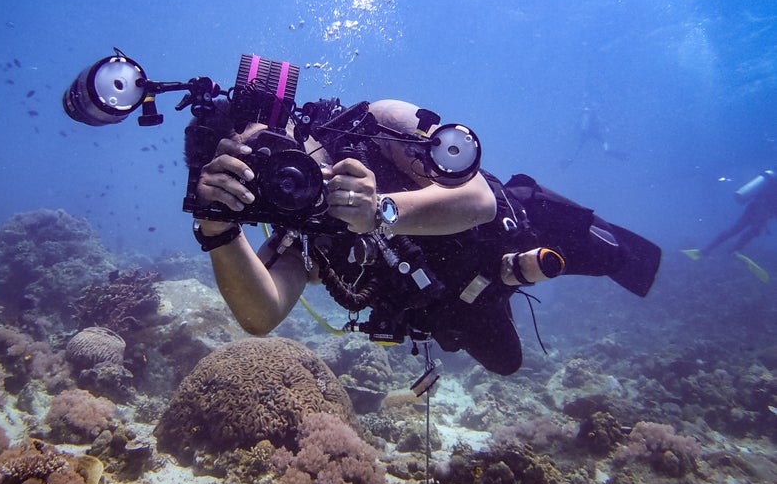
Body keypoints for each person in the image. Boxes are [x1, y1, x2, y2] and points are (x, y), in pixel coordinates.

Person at [191, 97, 661, 376]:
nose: (284, 174)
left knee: (623, 258)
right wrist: (218, 228)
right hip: (447, 301)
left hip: (506, 236)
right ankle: (509, 286)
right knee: (505, 362)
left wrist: (378, 212)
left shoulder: (374, 124)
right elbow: (261, 314)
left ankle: (551, 244)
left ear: (292, 123)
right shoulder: (294, 223)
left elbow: (479, 201)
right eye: (257, 170)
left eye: (280, 147)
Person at [694, 170, 777, 257]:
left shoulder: (771, 178)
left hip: (754, 206)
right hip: (764, 209)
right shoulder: (773, 181)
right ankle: (733, 251)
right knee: (754, 230)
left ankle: (707, 249)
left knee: (736, 229)